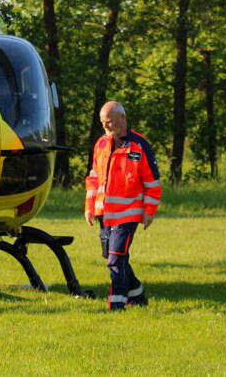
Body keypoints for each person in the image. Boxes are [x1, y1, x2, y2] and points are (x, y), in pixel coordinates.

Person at [84, 101, 162, 310]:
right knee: (113, 257)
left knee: (115, 260)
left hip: (128, 214)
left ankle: (117, 305)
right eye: (103, 123)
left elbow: (153, 184)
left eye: (109, 122)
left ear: (122, 118)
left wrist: (149, 212)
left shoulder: (140, 146)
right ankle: (137, 293)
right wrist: (89, 206)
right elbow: (93, 177)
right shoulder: (101, 144)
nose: (106, 127)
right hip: (104, 213)